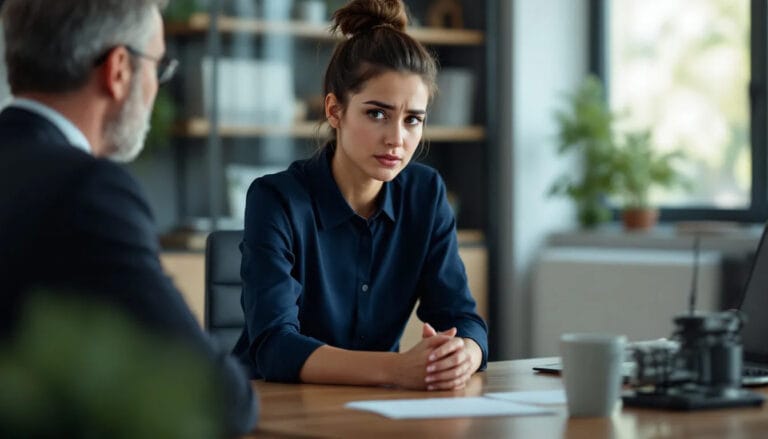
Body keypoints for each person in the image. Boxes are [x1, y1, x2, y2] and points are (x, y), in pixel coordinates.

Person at [0, 0, 257, 435]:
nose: (157, 85)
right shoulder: (86, 190)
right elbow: (216, 396)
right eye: (158, 66)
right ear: (118, 69)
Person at [233, 0, 489, 390]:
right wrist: (398, 370)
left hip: (377, 409)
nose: (397, 139)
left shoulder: (425, 194)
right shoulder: (276, 200)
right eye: (377, 113)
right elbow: (274, 347)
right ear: (335, 111)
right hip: (275, 408)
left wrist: (463, 354)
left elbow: (462, 318)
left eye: (413, 120)